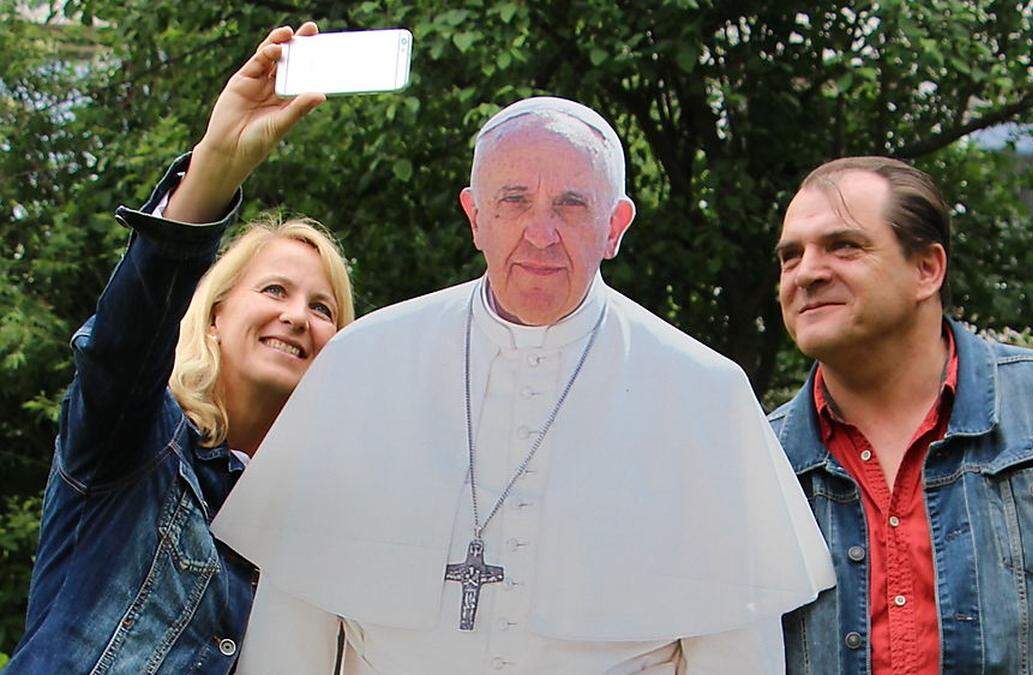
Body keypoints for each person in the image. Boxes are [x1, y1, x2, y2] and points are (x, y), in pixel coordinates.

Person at [210, 93, 836, 673]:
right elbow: (290, 634)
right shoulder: (361, 363)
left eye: (571, 204)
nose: (541, 232)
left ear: (615, 226)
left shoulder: (704, 394)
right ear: (475, 215)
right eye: (513, 200)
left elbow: (734, 650)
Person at [8, 23, 354, 674]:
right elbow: (121, 347)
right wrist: (216, 166)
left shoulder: (312, 543)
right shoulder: (134, 443)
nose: (297, 316)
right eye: (276, 288)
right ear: (216, 315)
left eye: (322, 307)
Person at [767, 156, 1033, 674]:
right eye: (791, 257)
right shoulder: (762, 461)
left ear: (927, 268)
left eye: (843, 246)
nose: (808, 273)